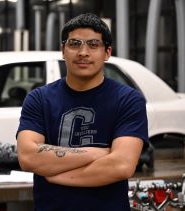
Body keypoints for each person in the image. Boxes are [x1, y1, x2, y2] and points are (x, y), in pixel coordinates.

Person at [16, 13, 149, 211]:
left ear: (107, 52)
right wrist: (99, 153)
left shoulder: (128, 100)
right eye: (75, 43)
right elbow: (28, 157)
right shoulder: (39, 99)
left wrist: (54, 174)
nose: (83, 52)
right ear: (63, 50)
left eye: (93, 44)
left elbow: (121, 166)